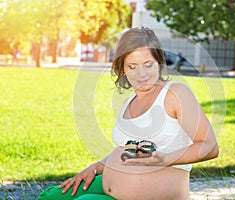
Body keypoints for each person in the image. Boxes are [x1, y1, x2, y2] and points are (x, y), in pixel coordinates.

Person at [38, 27, 218, 200]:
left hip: (158, 194)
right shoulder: (129, 102)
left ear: (159, 63)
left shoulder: (175, 94)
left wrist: (165, 160)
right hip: (113, 185)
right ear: (122, 68)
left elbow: (209, 146)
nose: (142, 74)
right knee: (51, 196)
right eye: (132, 67)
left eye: (148, 64)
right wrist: (96, 167)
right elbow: (126, 149)